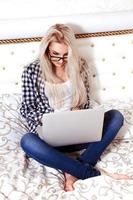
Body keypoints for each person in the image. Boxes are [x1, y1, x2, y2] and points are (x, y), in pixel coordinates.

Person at [20, 23, 130, 192]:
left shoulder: (80, 66)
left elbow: (85, 103)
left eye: (66, 56)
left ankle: (72, 170)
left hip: (78, 135)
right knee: (27, 141)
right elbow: (27, 109)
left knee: (116, 117)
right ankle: (87, 171)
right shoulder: (32, 71)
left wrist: (82, 115)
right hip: (50, 141)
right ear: (46, 50)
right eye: (55, 54)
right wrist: (47, 125)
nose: (60, 61)